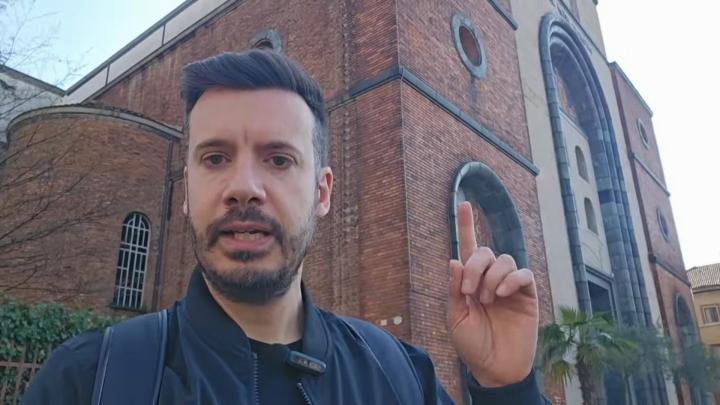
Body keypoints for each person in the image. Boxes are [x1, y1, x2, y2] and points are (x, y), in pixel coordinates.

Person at [22, 50, 548, 404]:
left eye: (278, 160)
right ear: (186, 192)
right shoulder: (88, 380)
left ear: (323, 192)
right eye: (215, 158)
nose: (243, 187)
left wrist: (507, 388)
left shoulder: (399, 377)